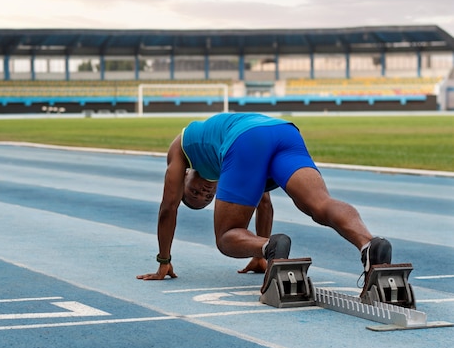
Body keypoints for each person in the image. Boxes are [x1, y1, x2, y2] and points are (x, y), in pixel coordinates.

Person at [136, 112, 392, 292]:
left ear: (184, 178)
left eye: (193, 193)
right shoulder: (223, 160)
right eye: (205, 198)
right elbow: (265, 204)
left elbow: (168, 208)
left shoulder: (180, 149)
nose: (203, 192)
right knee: (319, 204)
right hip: (283, 132)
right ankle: (368, 244)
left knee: (226, 236)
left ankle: (270, 247)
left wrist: (163, 261)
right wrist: (261, 252)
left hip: (247, 139)